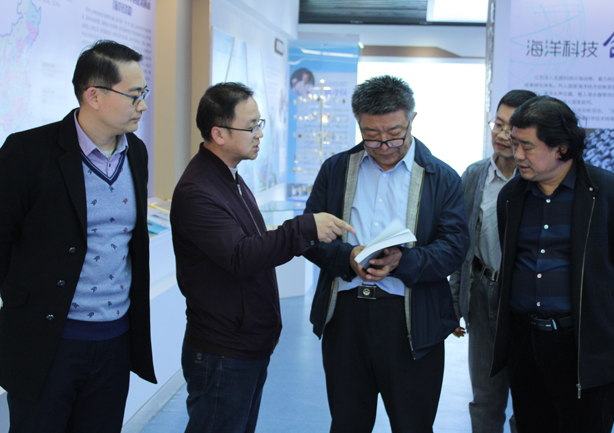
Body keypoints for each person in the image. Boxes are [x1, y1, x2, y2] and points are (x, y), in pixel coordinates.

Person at [170, 82, 353, 433]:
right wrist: (305, 228)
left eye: (260, 123)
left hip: (245, 343)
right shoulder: (198, 190)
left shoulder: (230, 180)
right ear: (219, 134)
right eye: (251, 126)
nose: (260, 134)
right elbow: (241, 255)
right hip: (223, 347)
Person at [0, 40, 156, 432]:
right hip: (47, 342)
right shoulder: (28, 152)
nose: (143, 106)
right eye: (134, 95)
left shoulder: (135, 153)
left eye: (144, 93)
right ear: (94, 96)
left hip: (114, 342)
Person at [304, 75, 469, 433]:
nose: (384, 145)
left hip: (412, 320)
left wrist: (402, 262)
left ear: (412, 119)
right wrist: (347, 257)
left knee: (413, 424)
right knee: (347, 423)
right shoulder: (336, 170)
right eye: (371, 135)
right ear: (359, 124)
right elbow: (310, 235)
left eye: (394, 134)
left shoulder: (441, 177)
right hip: (345, 316)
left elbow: (455, 246)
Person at [492, 95, 614, 433]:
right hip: (525, 343)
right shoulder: (512, 196)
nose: (517, 155)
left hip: (582, 346)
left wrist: (600, 310)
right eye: (515, 144)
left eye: (527, 146)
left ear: (561, 148)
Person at [450, 89, 536, 433]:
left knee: (530, 400)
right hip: (483, 292)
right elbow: (461, 245)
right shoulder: (474, 175)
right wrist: (455, 301)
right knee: (486, 399)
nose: (501, 134)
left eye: (510, 128)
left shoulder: (539, 180)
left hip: (526, 301)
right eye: (497, 124)